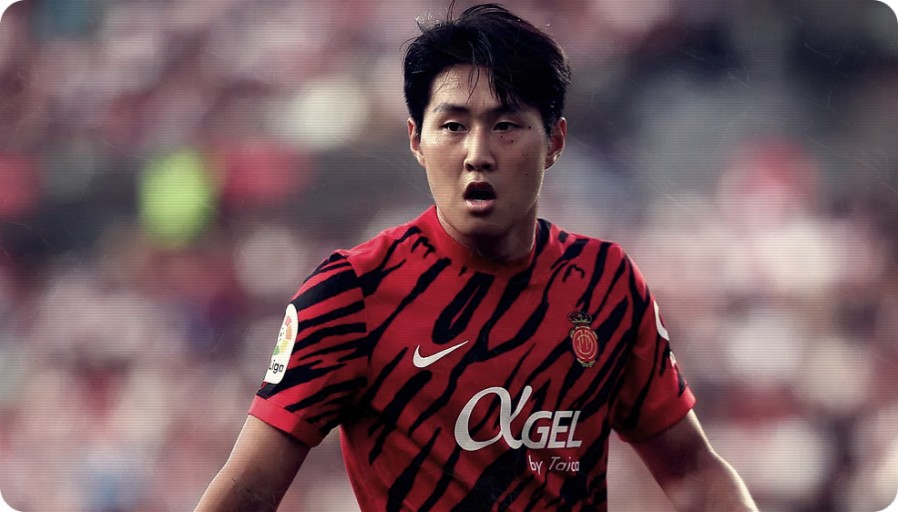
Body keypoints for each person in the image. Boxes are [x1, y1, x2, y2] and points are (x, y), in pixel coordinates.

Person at [196, 3, 758, 511]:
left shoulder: (607, 283)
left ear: (555, 141)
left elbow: (692, 470)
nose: (477, 153)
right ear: (416, 141)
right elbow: (248, 491)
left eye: (506, 125)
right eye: (453, 126)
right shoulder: (352, 292)